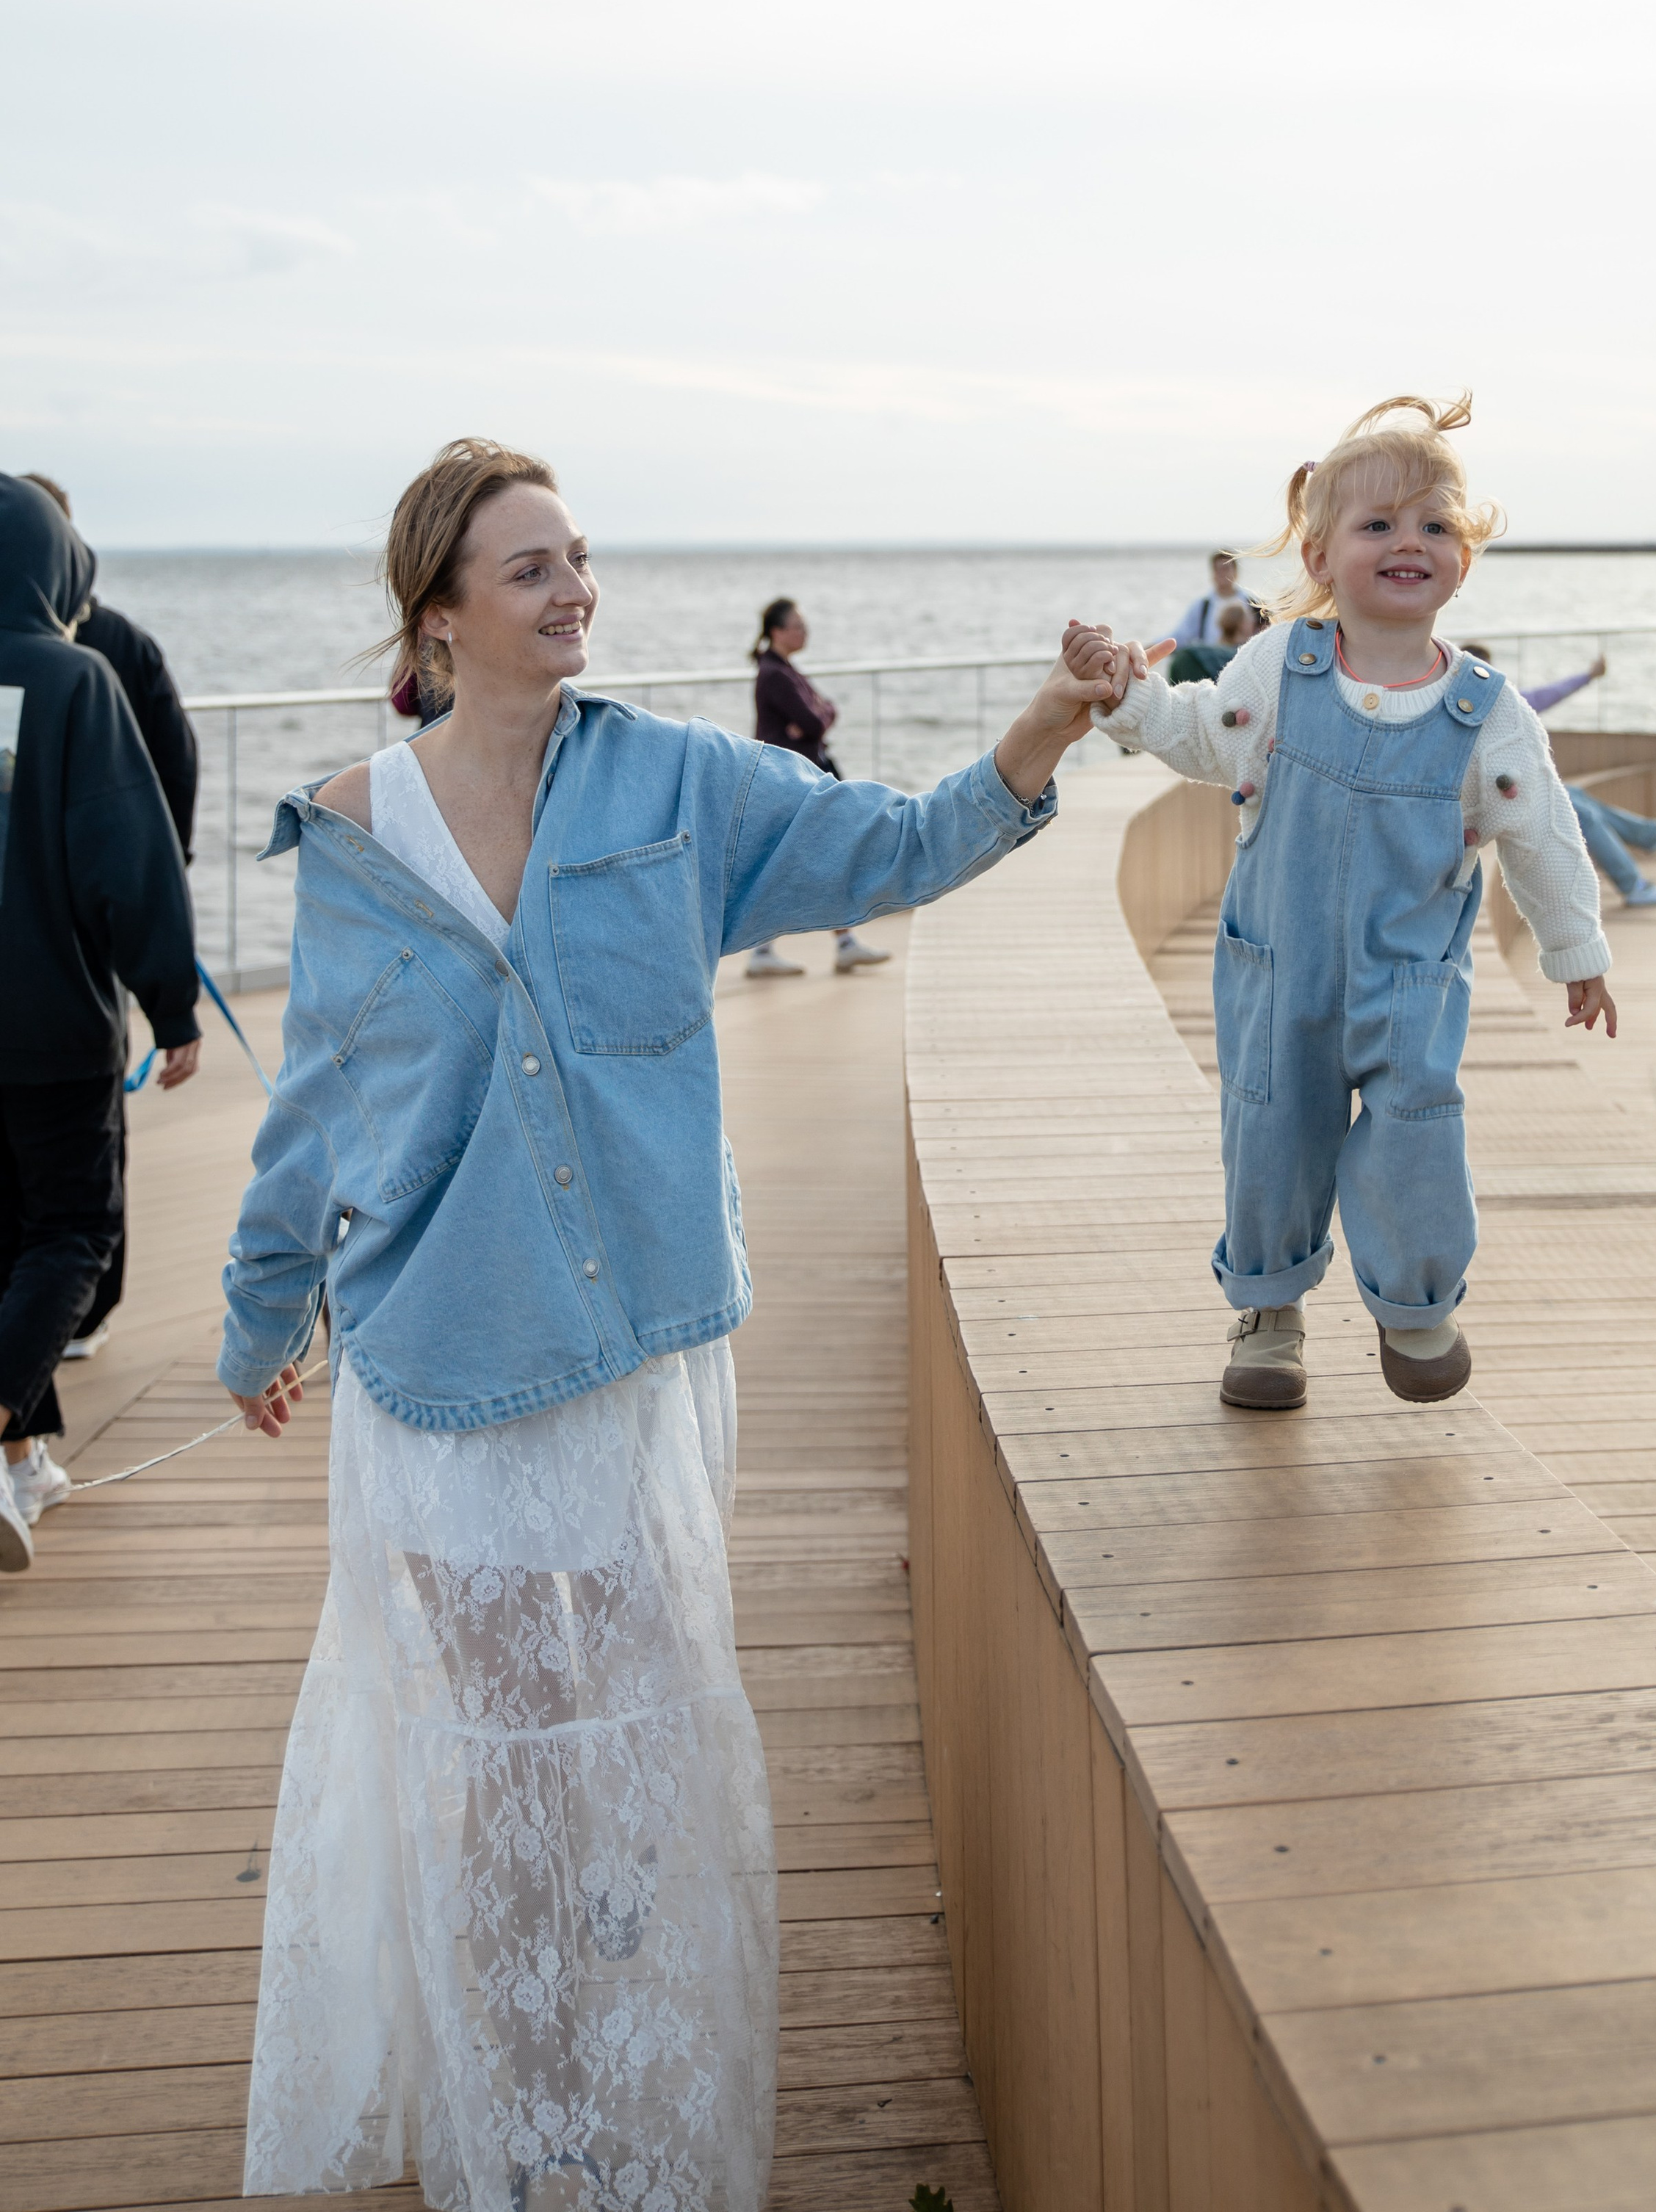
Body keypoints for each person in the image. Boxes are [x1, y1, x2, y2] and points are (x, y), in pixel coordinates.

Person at [218, 435, 1111, 2212]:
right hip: (443, 1357)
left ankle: (629, 2074)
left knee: (629, 1729)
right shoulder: (353, 825)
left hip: (632, 1357)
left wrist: (1047, 723)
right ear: (439, 613)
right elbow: (316, 1102)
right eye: (531, 565)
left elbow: (901, 840)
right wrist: (262, 1312)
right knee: (502, 1740)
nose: (575, 590)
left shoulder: (681, 785)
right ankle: (530, 2103)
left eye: (577, 556)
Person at [1069, 394, 1613, 1417]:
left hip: (1409, 979)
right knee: (1272, 1128)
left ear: (1464, 557)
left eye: (1434, 526)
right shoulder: (1284, 665)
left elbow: (1541, 833)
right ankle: (1269, 1307)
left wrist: (1575, 944)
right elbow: (1203, 735)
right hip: (1280, 963)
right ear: (1320, 558)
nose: (1409, 542)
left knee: (1415, 1124)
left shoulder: (1486, 714)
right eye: (1378, 524)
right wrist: (1131, 700)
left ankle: (1413, 1302)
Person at [0, 476, 200, 1575]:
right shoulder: (75, 680)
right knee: (73, 1231)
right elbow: (131, 857)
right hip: (53, 1025)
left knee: (6, 1243)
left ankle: (23, 1462)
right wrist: (171, 1000)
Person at [1457, 644, 1656, 908]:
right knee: (1582, 813)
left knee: (1575, 795)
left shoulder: (1503, 705)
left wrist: (1589, 677)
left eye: (1488, 671)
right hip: (1489, 802)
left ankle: (1648, 836)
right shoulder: (1460, 715)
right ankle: (1633, 884)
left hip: (1511, 791)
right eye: (1479, 672)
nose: (1486, 678)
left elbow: (1549, 695)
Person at [744, 596, 890, 979]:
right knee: (807, 861)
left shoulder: (784, 670)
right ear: (777, 631)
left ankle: (835, 944)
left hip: (799, 779)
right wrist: (816, 716)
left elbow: (823, 713)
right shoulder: (775, 674)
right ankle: (773, 949)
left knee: (814, 859)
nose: (803, 631)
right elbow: (815, 720)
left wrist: (818, 714)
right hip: (790, 783)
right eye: (797, 625)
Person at [1168, 549, 1257, 648]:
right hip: (1212, 661)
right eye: (1218, 569)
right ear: (1213, 574)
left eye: (1226, 569)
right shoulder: (1202, 606)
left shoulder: (1253, 605)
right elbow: (1181, 635)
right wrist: (1151, 648)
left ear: (1236, 572)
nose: (1222, 574)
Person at [1166, 597, 1267, 684]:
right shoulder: (1245, 659)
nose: (1254, 623)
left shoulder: (1192, 654)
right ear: (1243, 625)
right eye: (1251, 620)